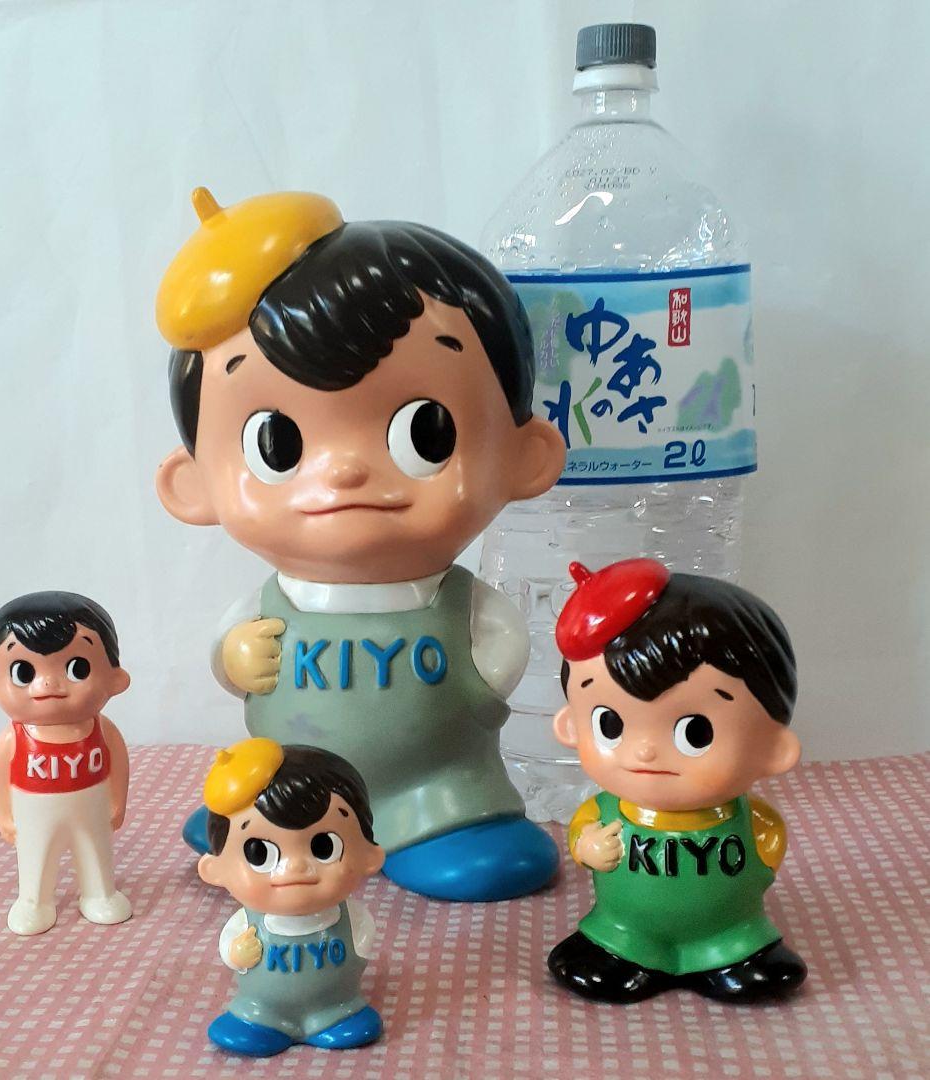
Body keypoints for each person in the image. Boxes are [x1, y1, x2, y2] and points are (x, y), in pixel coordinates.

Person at [154, 188, 566, 900]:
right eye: (278, 444)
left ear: (524, 457)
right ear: (193, 485)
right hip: (291, 793)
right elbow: (229, 660)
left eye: (423, 432)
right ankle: (259, 823)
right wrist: (234, 657)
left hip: (437, 790)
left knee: (476, 845)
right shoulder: (267, 606)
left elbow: (499, 664)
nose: (344, 470)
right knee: (273, 798)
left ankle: (445, 830)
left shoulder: (468, 608)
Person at [549, 559, 807, 1003]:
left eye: (695, 733)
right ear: (571, 725)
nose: (645, 751)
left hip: (730, 930)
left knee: (743, 953)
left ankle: (730, 953)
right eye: (610, 724)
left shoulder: (757, 822)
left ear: (772, 748)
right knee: (608, 953)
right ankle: (625, 951)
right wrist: (587, 846)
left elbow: (764, 861)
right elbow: (581, 839)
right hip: (624, 928)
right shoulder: (603, 811)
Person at [198, 738, 384, 1057]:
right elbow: (230, 951)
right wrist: (236, 953)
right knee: (254, 1021)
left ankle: (336, 1016)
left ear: (368, 856)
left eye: (323, 847)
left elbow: (364, 938)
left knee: (346, 1018)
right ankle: (260, 1023)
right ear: (216, 869)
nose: (295, 866)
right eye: (259, 853)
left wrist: (362, 944)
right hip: (261, 1007)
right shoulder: (246, 922)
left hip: (337, 1004)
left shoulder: (350, 916)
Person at [0, 591, 132, 935]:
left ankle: (100, 893)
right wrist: (4, 816)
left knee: (96, 851)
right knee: (35, 856)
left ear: (115, 679)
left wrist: (117, 801)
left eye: (78, 668)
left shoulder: (102, 729)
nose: (48, 682)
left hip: (91, 808)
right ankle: (34, 901)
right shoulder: (15, 737)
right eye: (23, 672)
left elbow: (118, 762)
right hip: (34, 812)